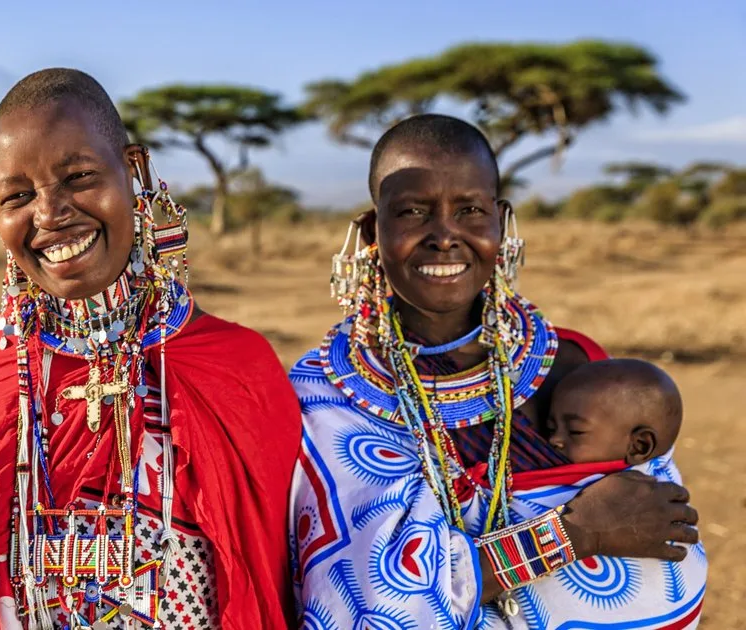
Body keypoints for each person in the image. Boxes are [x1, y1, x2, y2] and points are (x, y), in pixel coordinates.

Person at [0, 68, 301, 629]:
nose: (48, 214)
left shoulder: (237, 369)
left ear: (134, 169)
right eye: (17, 196)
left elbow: (266, 585)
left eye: (79, 177)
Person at [289, 114, 706, 628]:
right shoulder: (327, 396)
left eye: (470, 210)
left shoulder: (575, 367)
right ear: (374, 230)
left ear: (501, 220)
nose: (444, 236)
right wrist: (575, 536)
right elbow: (371, 604)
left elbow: (658, 524)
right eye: (413, 211)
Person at [546, 358, 683, 466]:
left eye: (575, 431)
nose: (553, 440)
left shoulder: (637, 496)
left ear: (639, 446)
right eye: (551, 429)